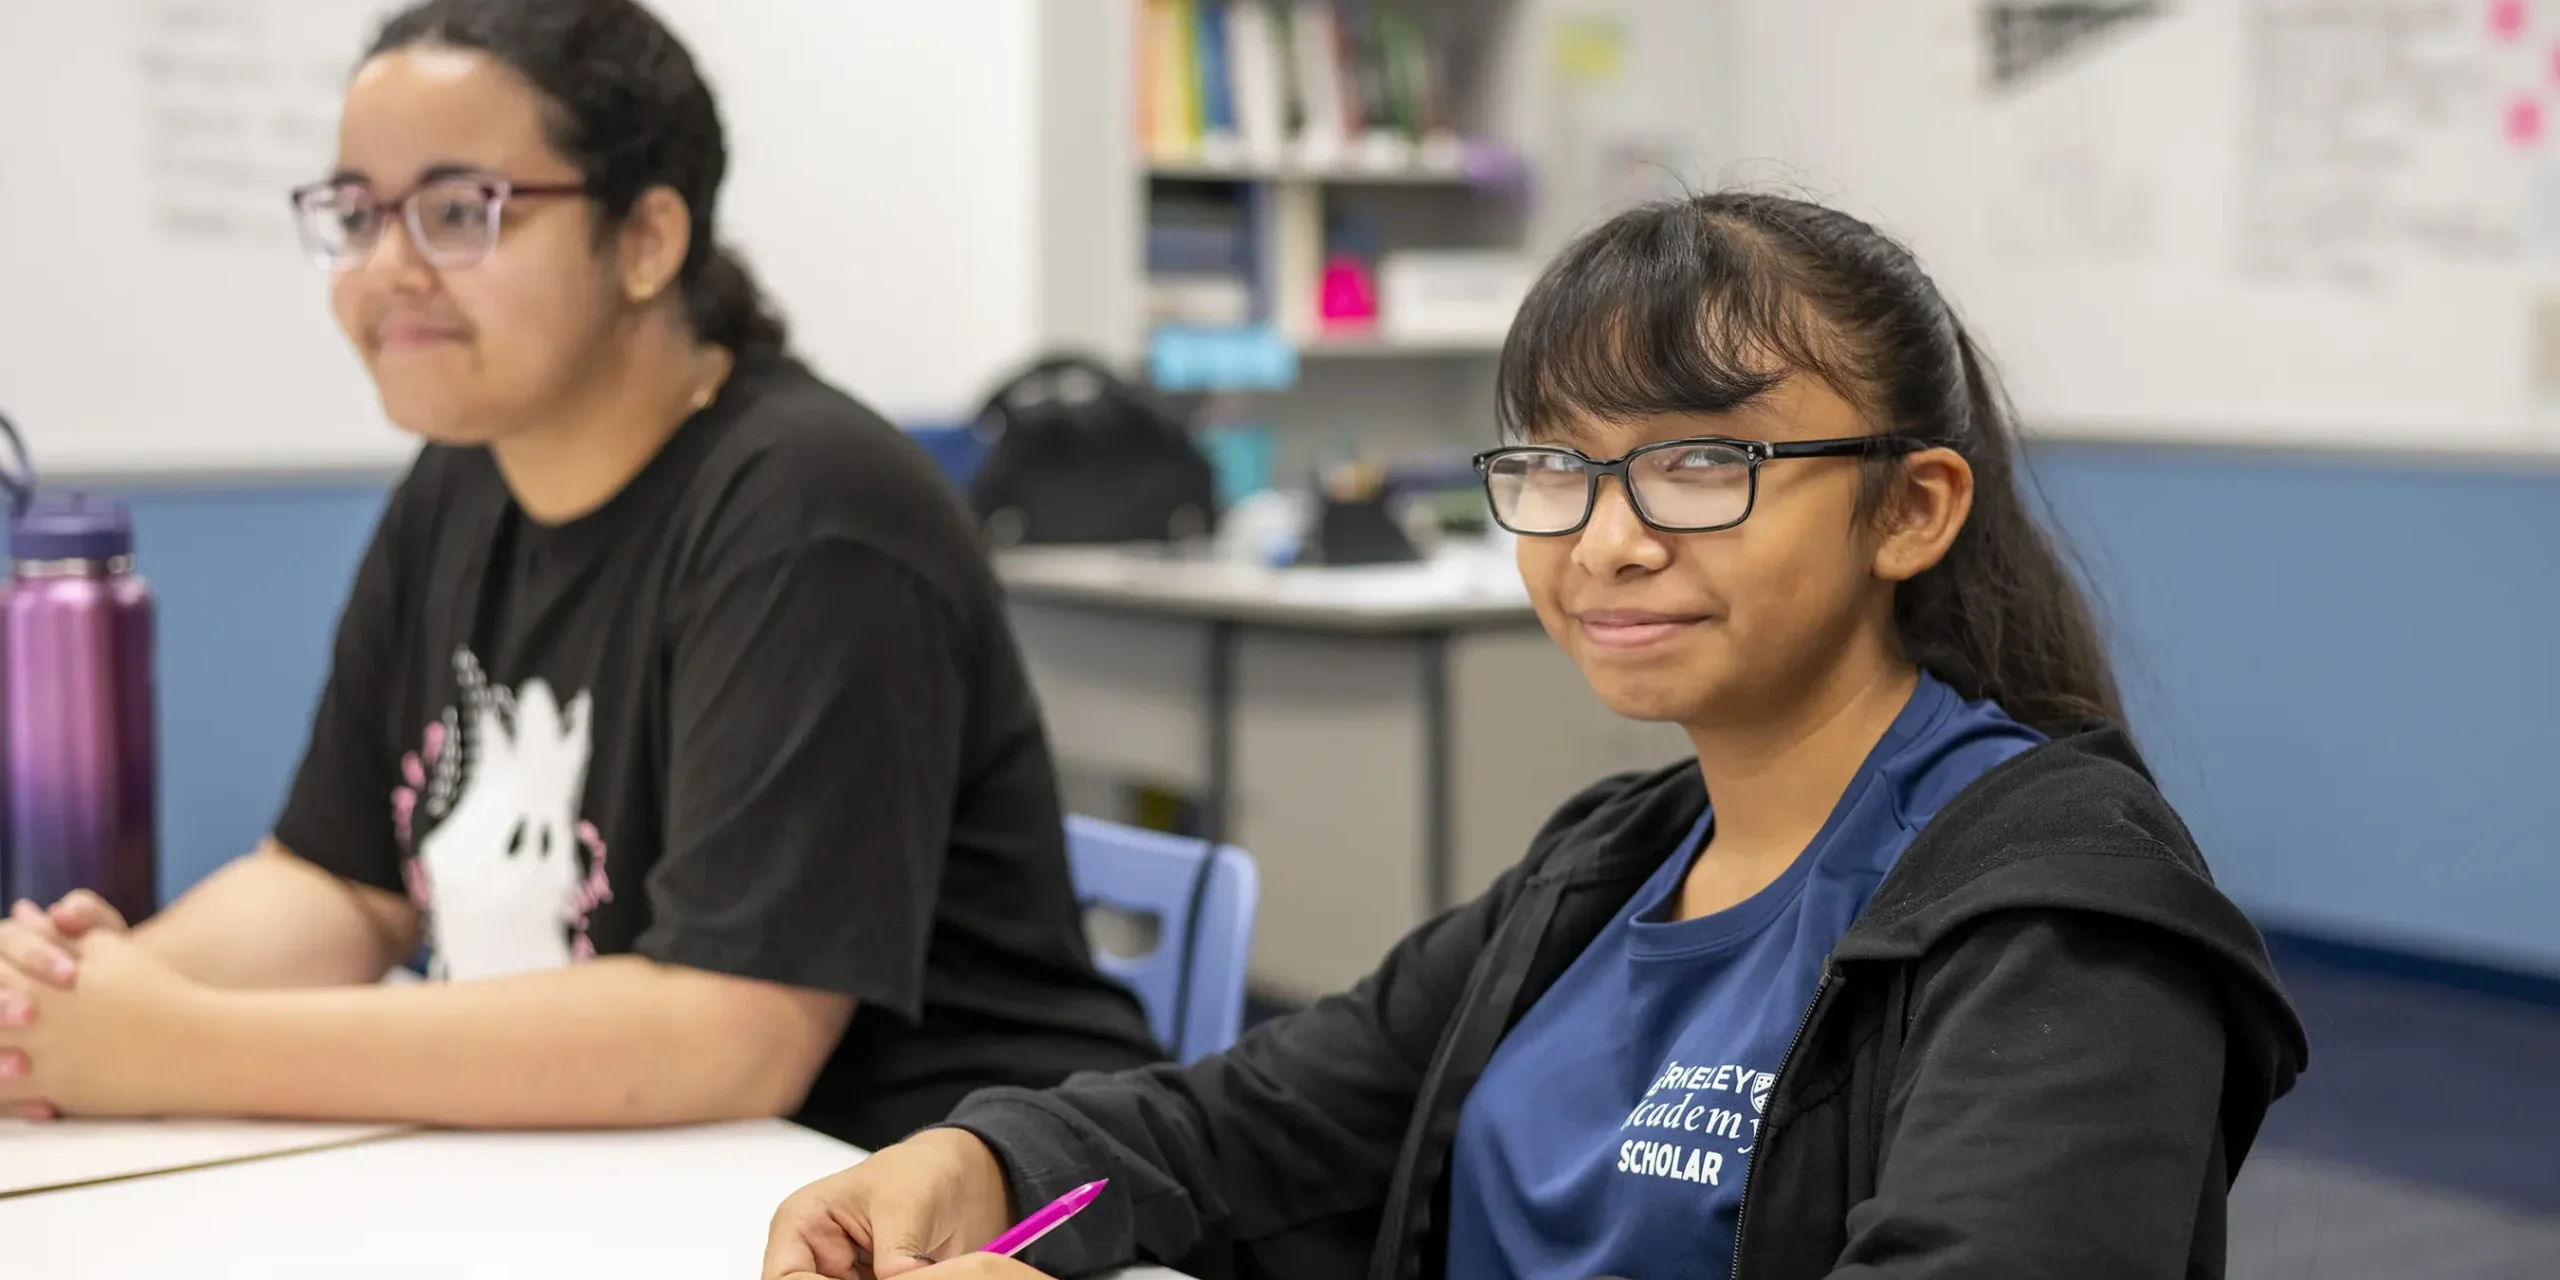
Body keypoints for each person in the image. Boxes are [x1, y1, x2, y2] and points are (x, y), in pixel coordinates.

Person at [761, 192, 2311, 1280]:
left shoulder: (2063, 924)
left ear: (1910, 509)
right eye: (1554, 469)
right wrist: (996, 1161)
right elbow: (1259, 1114)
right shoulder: (1610, 867)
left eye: (1700, 464)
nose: (1606, 541)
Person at [0, 0, 1161, 1150]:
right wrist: (61, 1007)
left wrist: (179, 1044)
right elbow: (338, 885)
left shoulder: (813, 512)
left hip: (929, 1191)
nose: (387, 267)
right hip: (630, 1172)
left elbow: (728, 1029)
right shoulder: (457, 482)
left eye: (459, 211)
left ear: (647, 238)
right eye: (357, 214)